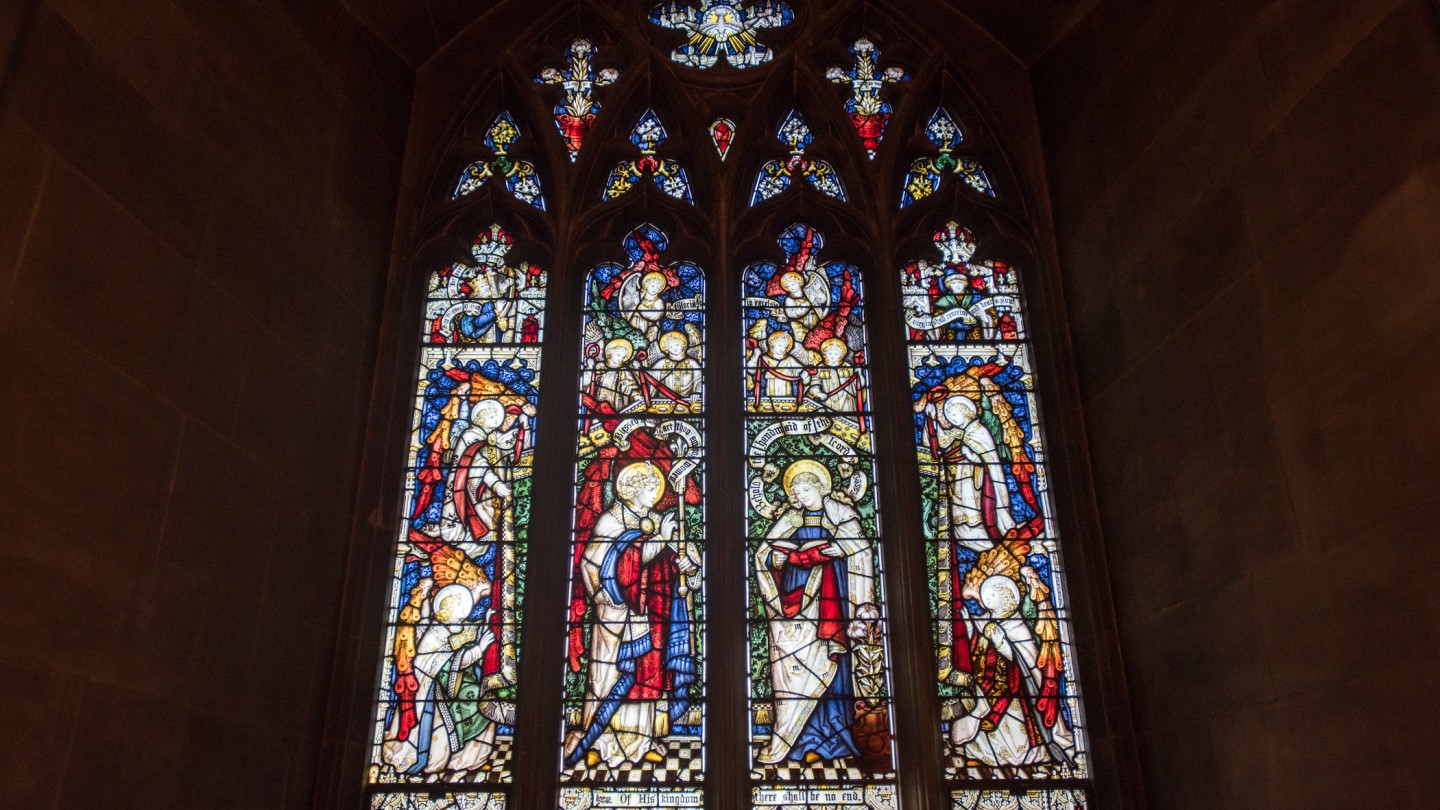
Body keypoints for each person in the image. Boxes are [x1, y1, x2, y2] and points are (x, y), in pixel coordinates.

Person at [565, 461, 700, 769]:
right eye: (651, 488)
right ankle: (599, 741)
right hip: (615, 615)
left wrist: (689, 567)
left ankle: (641, 742)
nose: (657, 494)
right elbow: (597, 564)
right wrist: (607, 596)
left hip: (649, 614)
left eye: (657, 488)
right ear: (632, 490)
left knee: (646, 675)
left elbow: (680, 560)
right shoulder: (609, 521)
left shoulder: (657, 521)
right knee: (607, 678)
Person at [754, 460, 877, 765]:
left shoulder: (841, 514)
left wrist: (843, 550)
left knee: (829, 660)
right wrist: (775, 560)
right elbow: (764, 554)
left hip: (831, 596)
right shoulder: (790, 518)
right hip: (795, 594)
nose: (801, 496)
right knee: (794, 666)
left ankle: (835, 735)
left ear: (821, 488)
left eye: (806, 490)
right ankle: (800, 739)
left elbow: (861, 549)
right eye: (797, 492)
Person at [382, 584, 499, 777]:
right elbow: (451, 661)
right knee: (477, 706)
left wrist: (486, 623)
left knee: (484, 702)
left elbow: (466, 640)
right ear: (447, 611)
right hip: (429, 696)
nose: (464, 614)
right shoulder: (434, 636)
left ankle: (469, 757)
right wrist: (479, 649)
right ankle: (442, 759)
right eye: (461, 609)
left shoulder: (447, 631)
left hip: (444, 689)